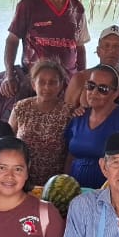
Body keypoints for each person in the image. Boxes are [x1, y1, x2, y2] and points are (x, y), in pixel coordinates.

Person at [0, 0, 89, 117]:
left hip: (67, 82)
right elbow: (12, 40)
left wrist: (82, 80)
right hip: (35, 81)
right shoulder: (28, 5)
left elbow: (80, 47)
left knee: (70, 120)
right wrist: (9, 74)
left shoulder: (77, 8)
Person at [63, 64, 119, 189]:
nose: (94, 92)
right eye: (91, 86)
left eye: (103, 89)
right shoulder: (78, 117)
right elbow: (69, 158)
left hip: (111, 194)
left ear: (115, 94)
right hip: (74, 191)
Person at [11, 59, 73, 187]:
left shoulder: (68, 112)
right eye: (42, 82)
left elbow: (71, 152)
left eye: (52, 82)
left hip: (54, 183)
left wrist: (64, 181)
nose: (47, 87)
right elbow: (8, 142)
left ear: (61, 85)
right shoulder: (21, 108)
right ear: (33, 84)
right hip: (21, 180)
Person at [65, 25, 119, 108]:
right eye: (106, 45)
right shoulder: (80, 79)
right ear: (98, 50)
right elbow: (65, 112)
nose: (111, 50)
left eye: (117, 47)